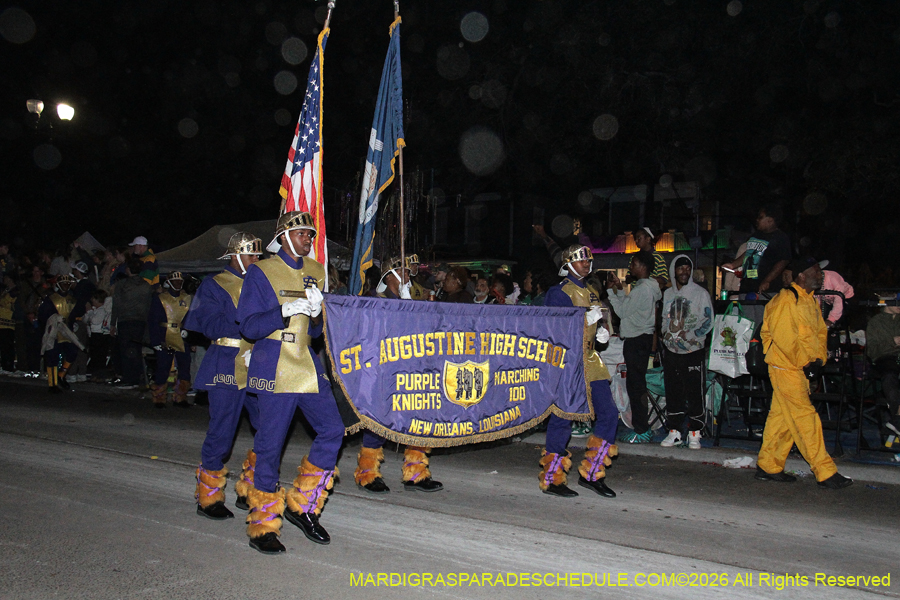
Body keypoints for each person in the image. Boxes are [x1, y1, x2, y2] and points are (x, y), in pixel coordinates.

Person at [236, 211, 345, 553]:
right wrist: (284, 310)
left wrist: (316, 316)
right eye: (300, 232)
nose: (307, 238)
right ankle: (265, 524)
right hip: (274, 364)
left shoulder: (315, 270)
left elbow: (314, 330)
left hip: (307, 364)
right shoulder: (261, 271)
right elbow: (249, 327)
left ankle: (302, 505)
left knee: (333, 429)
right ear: (283, 237)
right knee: (271, 444)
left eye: (310, 234)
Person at [183, 232, 263, 521]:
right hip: (227, 364)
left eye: (258, 256)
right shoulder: (213, 285)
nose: (256, 261)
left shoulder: (261, 283)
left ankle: (251, 487)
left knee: (268, 428)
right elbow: (209, 324)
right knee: (222, 431)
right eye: (252, 255)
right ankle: (208, 496)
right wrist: (249, 321)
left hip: (259, 365)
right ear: (235, 255)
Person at [756, 257, 852, 489]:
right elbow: (784, 339)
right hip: (785, 367)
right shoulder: (786, 300)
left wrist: (818, 360)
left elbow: (820, 333)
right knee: (805, 418)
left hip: (797, 368)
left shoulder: (809, 300)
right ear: (800, 275)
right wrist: (807, 363)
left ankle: (768, 465)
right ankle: (825, 470)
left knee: (782, 420)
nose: (821, 274)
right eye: (816, 271)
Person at [354, 258, 444, 495]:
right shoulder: (374, 299)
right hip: (382, 369)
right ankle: (368, 473)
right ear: (389, 276)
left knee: (418, 417)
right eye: (402, 270)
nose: (407, 275)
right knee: (378, 422)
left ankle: (416, 472)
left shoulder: (410, 298)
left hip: (410, 368)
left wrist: (412, 306)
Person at [539, 244, 619, 498]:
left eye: (588, 260)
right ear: (568, 264)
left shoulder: (592, 291)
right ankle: (552, 478)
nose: (586, 263)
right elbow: (555, 329)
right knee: (563, 417)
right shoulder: (559, 292)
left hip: (591, 359)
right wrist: (586, 320)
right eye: (580, 260)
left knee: (609, 414)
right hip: (568, 361)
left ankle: (592, 473)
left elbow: (596, 326)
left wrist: (602, 335)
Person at [606, 251, 662, 443]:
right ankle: (642, 427)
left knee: (636, 386)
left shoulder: (642, 290)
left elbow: (621, 312)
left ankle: (641, 429)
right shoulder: (647, 288)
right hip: (641, 338)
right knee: (637, 384)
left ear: (642, 266)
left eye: (634, 263)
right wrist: (620, 290)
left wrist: (609, 293)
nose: (631, 267)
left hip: (636, 340)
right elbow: (630, 309)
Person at [659, 255, 714, 449]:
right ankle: (674, 431)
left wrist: (690, 335)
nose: (684, 272)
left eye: (687, 268)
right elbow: (664, 321)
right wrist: (666, 337)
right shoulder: (667, 294)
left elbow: (708, 321)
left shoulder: (700, 294)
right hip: (672, 351)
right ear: (674, 271)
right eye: (680, 268)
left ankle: (695, 432)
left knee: (694, 392)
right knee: (673, 392)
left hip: (693, 351)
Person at [723, 204, 791, 299]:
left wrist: (767, 280)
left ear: (770, 220)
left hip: (766, 290)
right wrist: (733, 265)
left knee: (763, 313)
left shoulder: (780, 238)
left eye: (760, 217)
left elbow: (783, 261)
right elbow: (748, 253)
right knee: (745, 313)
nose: (757, 220)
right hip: (747, 288)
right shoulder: (755, 235)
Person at [148, 272, 192, 408]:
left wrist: (190, 333)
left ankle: (180, 396)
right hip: (164, 336)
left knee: (184, 368)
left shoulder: (188, 298)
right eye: (175, 281)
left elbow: (191, 318)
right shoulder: (160, 298)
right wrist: (155, 341)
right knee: (163, 368)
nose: (178, 284)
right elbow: (153, 320)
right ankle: (159, 397)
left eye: (180, 281)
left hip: (182, 336)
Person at [110, 258, 153, 389]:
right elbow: (149, 305)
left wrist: (113, 323)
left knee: (126, 351)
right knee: (136, 350)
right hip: (140, 321)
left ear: (128, 270)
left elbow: (116, 305)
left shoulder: (122, 284)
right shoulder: (146, 286)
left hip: (126, 321)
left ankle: (130, 379)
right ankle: (137, 377)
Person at [864, 301, 900, 438]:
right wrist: (892, 342)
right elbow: (872, 351)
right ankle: (897, 420)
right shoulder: (876, 322)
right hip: (885, 359)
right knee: (890, 376)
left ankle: (897, 420)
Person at [38, 273, 79, 391]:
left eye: (67, 283)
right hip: (55, 332)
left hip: (68, 331)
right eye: (63, 283)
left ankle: (61, 375)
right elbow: (43, 315)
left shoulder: (73, 300)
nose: (66, 285)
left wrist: (74, 322)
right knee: (52, 357)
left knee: (72, 352)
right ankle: (53, 383)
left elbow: (76, 313)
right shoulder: (50, 299)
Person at [0, 276, 17, 372]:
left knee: (8, 346)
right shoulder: (6, 290)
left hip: (8, 323)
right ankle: (4, 365)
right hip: (2, 322)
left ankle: (8, 366)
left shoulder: (15, 291)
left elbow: (6, 303)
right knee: (3, 346)